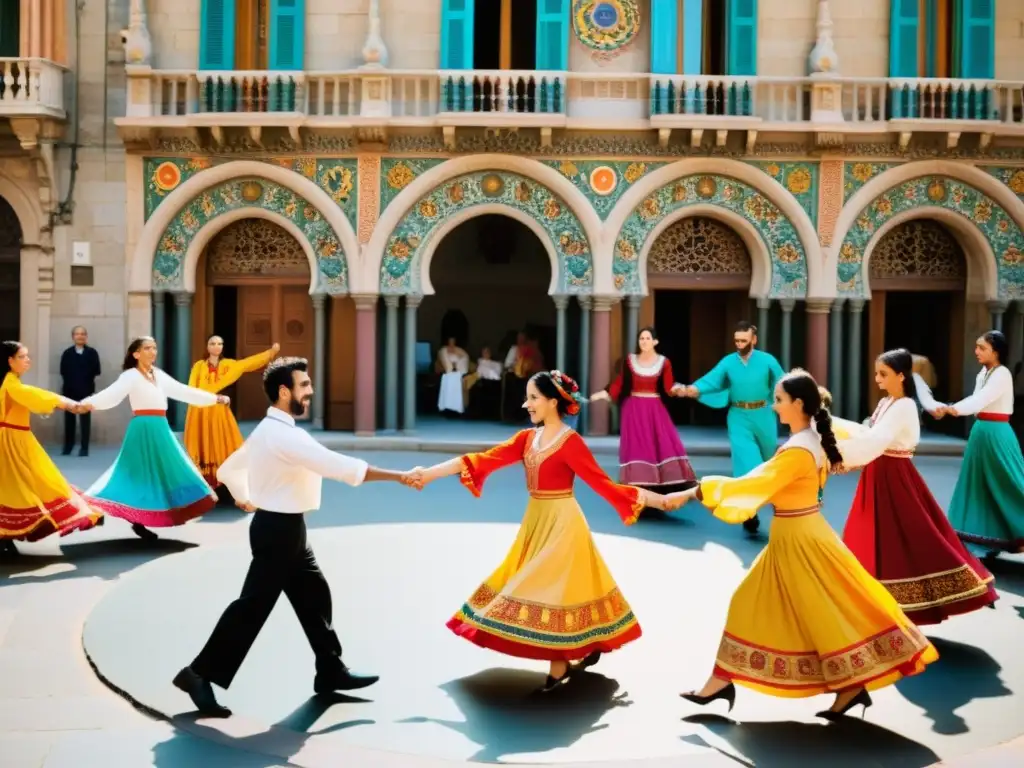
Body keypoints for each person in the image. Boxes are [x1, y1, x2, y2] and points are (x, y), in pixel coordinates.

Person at [668, 369, 937, 719]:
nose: (773, 406)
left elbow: (753, 484)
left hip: (801, 542)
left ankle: (844, 686)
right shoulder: (814, 438)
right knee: (794, 607)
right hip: (800, 534)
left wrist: (694, 491)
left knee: (820, 612)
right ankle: (724, 681)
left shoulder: (798, 450)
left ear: (797, 404)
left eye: (778, 400)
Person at [172, 356, 420, 717]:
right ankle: (197, 674)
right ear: (284, 391)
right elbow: (340, 466)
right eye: (304, 385)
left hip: (287, 529)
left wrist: (245, 496)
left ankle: (330, 670)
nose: (311, 391)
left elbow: (228, 469)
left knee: (315, 596)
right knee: (251, 608)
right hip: (278, 532)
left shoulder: (266, 431)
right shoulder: (284, 436)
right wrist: (400, 477)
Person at [413, 370, 673, 692]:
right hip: (535, 522)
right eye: (528, 397)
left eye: (534, 398)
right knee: (539, 586)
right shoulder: (526, 439)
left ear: (553, 402)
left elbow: (602, 484)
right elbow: (482, 460)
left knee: (549, 589)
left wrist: (657, 500)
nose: (527, 405)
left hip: (564, 525)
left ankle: (559, 663)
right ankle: (579, 649)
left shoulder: (570, 442)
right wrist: (429, 474)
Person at [835, 349, 996, 623]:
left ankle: (925, 592)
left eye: (883, 374)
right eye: (876, 373)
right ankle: (869, 597)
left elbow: (876, 439)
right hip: (878, 473)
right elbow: (868, 433)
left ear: (900, 375)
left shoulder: (905, 405)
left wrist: (840, 455)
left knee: (911, 536)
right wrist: (832, 428)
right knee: (873, 533)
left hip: (893, 475)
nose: (877, 379)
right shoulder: (888, 402)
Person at [79, 337, 228, 541]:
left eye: (154, 348)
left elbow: (183, 391)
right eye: (147, 348)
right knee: (134, 473)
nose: (152, 351)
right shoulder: (130, 376)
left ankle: (148, 516)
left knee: (173, 469)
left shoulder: (157, 375)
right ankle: (98, 508)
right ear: (136, 354)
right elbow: (111, 395)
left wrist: (214, 399)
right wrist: (87, 403)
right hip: (142, 428)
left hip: (161, 428)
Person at [679, 321, 784, 535]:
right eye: (736, 340)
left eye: (744, 340)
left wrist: (787, 407)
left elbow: (783, 383)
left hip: (764, 414)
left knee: (767, 462)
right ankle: (749, 512)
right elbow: (712, 380)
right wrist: (694, 388)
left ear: (754, 340)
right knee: (748, 463)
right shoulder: (728, 362)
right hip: (738, 416)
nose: (739, 344)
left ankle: (778, 505)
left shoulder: (768, 361)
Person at [0, 341, 103, 557]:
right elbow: (39, 396)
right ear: (10, 361)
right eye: (22, 356)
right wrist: (70, 404)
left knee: (23, 487)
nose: (28, 360)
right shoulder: (11, 385)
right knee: (29, 485)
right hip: (12, 443)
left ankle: (7, 535)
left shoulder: (10, 382)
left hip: (16, 439)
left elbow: (35, 396)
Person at [932, 331, 1024, 556]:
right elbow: (976, 400)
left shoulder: (1002, 374)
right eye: (976, 347)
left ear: (996, 351)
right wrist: (953, 407)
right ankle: (981, 539)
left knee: (1011, 481)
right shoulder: (984, 373)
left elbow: (981, 400)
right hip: (980, 432)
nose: (976, 352)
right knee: (977, 485)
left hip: (997, 433)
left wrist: (954, 409)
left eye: (982, 348)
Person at [589, 327, 696, 494]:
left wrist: (682, 390)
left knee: (660, 443)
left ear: (655, 341)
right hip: (633, 409)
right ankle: (638, 485)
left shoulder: (663, 362)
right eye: (641, 339)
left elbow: (668, 387)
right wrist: (604, 393)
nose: (644, 342)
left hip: (654, 408)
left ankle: (662, 485)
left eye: (647, 338)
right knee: (637, 446)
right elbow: (619, 382)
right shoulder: (630, 361)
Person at [183, 335, 279, 491]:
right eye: (212, 343)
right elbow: (191, 388)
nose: (216, 346)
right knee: (203, 444)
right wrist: (205, 398)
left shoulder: (228, 365)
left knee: (223, 443)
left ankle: (226, 481)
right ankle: (205, 483)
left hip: (219, 410)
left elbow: (248, 363)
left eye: (219, 343)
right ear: (207, 347)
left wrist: (270, 353)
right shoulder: (199, 366)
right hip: (200, 410)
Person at [59, 326, 101, 457]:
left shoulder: (92, 353)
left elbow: (97, 370)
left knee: (85, 421)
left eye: (83, 334)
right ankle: (68, 447)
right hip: (69, 391)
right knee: (69, 421)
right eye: (77, 334)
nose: (80, 336)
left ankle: (84, 448)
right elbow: (63, 371)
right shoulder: (67, 353)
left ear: (86, 337)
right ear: (73, 337)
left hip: (86, 391)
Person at [436, 337, 470, 416]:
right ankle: (446, 406)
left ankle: (456, 407)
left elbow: (464, 358)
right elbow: (443, 361)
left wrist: (457, 366)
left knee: (457, 382)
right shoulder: (444, 350)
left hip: (458, 373)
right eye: (450, 342)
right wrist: (448, 367)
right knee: (448, 380)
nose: (451, 343)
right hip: (447, 373)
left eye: (453, 342)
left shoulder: (459, 351)